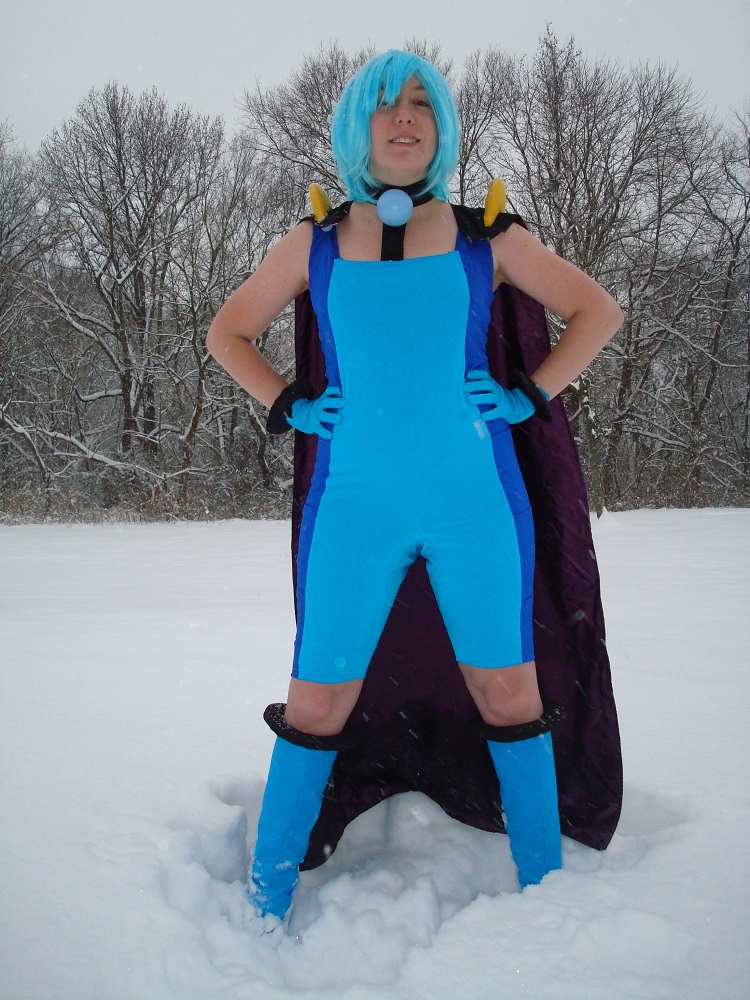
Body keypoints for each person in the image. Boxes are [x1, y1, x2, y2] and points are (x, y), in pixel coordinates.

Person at [206, 49, 623, 923]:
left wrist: (530, 393)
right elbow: (227, 333)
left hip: (477, 505)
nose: (405, 118)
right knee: (317, 700)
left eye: (422, 104)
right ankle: (263, 903)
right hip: (353, 509)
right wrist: (290, 401)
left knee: (508, 694)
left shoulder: (486, 237)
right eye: (386, 104)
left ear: (442, 127)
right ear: (356, 125)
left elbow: (599, 311)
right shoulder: (314, 241)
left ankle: (546, 899)